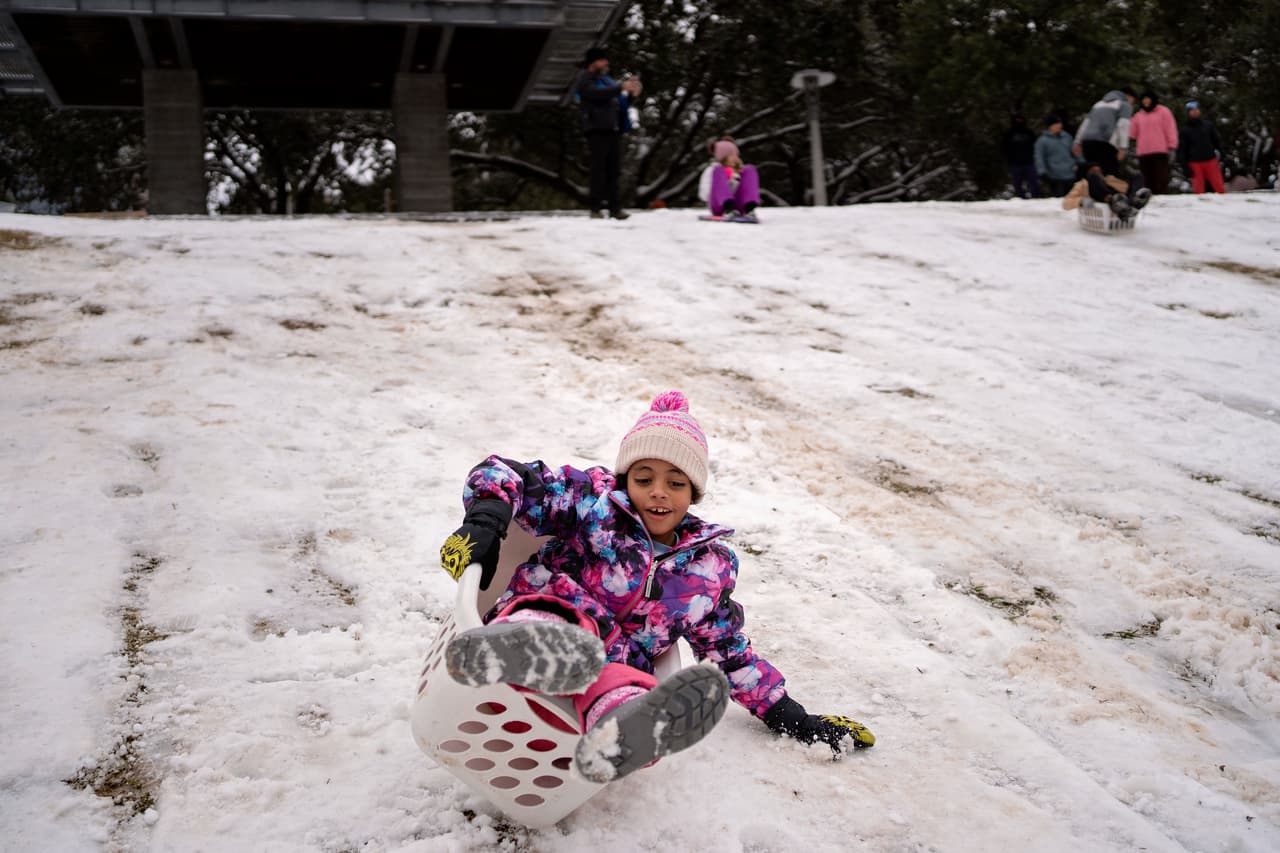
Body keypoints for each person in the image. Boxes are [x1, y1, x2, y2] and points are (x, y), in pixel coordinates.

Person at [438, 391, 875, 783]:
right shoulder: (592, 500)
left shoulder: (708, 569)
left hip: (606, 667)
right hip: (543, 615)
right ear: (626, 478)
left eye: (676, 482)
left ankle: (622, 734)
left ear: (694, 493)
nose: (658, 493)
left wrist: (789, 716)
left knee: (622, 686)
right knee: (553, 620)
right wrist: (485, 521)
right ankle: (516, 651)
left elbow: (729, 651)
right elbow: (507, 475)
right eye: (644, 478)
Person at [572, 47, 640, 220]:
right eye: (602, 60)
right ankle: (595, 207)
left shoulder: (607, 80)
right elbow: (595, 94)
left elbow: (619, 101)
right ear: (593, 62)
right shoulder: (584, 78)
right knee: (598, 170)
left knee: (613, 170)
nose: (606, 63)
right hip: (596, 128)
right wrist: (620, 87)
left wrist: (632, 95)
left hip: (613, 128)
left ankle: (614, 207)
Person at [1072, 87, 1137, 175]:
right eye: (1133, 101)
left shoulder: (1098, 104)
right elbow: (1123, 125)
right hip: (1106, 144)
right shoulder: (1124, 104)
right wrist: (1123, 147)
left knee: (1089, 173)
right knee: (1108, 175)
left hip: (1088, 142)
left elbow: (1086, 123)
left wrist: (1077, 142)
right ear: (1128, 96)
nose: (1132, 103)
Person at [697, 137, 762, 219]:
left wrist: (737, 179)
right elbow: (703, 195)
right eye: (731, 155)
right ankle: (728, 209)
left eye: (735, 154)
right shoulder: (713, 170)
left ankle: (749, 209)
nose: (735, 157)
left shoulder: (740, 171)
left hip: (739, 207)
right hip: (719, 206)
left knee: (750, 169)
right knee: (718, 170)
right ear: (723, 157)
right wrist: (723, 185)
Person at [1128, 90, 1179, 194]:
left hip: (1160, 151)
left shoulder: (1164, 111)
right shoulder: (1138, 115)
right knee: (1146, 179)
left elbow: (1171, 129)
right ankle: (1148, 199)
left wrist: (1172, 146)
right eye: (1143, 99)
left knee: (1161, 178)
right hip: (1143, 152)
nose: (1146, 101)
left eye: (1148, 99)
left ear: (1153, 99)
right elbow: (1132, 133)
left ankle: (1161, 197)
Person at [1062, 162, 1151, 219]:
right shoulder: (1083, 184)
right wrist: (1081, 201)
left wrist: (1132, 192)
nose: (1098, 173)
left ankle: (1133, 201)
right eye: (1093, 171)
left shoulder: (1109, 179)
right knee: (1094, 178)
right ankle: (1114, 201)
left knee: (1138, 176)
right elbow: (1066, 203)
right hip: (1103, 199)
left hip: (1121, 199)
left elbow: (1126, 188)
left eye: (1099, 171)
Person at [1178, 100, 1226, 194]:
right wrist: (1185, 168)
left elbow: (1217, 141)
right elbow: (1182, 151)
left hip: (1210, 161)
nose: (1195, 112)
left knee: (1219, 188)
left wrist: (1222, 153)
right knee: (1199, 191)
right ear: (1188, 113)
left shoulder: (1208, 126)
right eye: (1192, 110)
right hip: (1195, 164)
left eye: (1196, 109)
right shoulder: (1185, 131)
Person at [1034, 115, 1082, 197]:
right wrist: (1042, 172)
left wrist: (1081, 163)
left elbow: (1076, 152)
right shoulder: (1042, 141)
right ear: (1050, 126)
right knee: (1059, 202)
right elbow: (1039, 158)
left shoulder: (1067, 137)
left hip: (1070, 174)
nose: (1059, 125)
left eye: (1060, 123)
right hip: (1055, 176)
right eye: (1056, 123)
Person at [1001, 114, 1041, 198]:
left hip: (1029, 162)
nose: (1019, 122)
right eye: (1017, 120)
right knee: (1017, 184)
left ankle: (1036, 198)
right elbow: (1004, 148)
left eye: (1021, 120)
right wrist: (1008, 160)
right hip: (1015, 163)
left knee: (1034, 182)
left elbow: (1036, 146)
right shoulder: (1008, 134)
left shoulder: (1029, 133)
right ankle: (1021, 199)